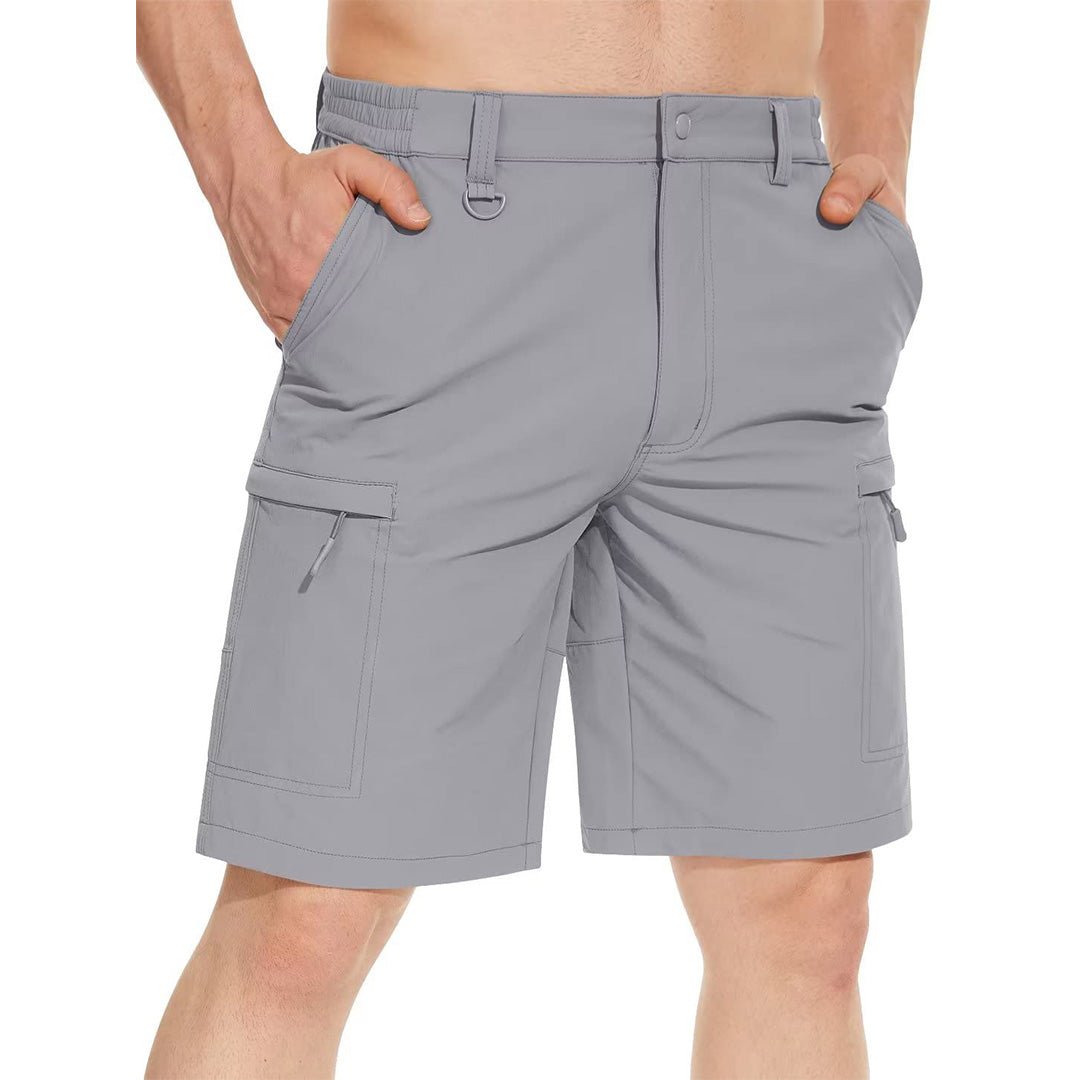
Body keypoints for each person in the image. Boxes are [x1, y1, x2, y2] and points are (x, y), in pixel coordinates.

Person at [137, 1, 928, 1076]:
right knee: (306, 911)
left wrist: (880, 149)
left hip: (775, 234)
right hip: (438, 226)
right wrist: (244, 175)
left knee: (807, 909)